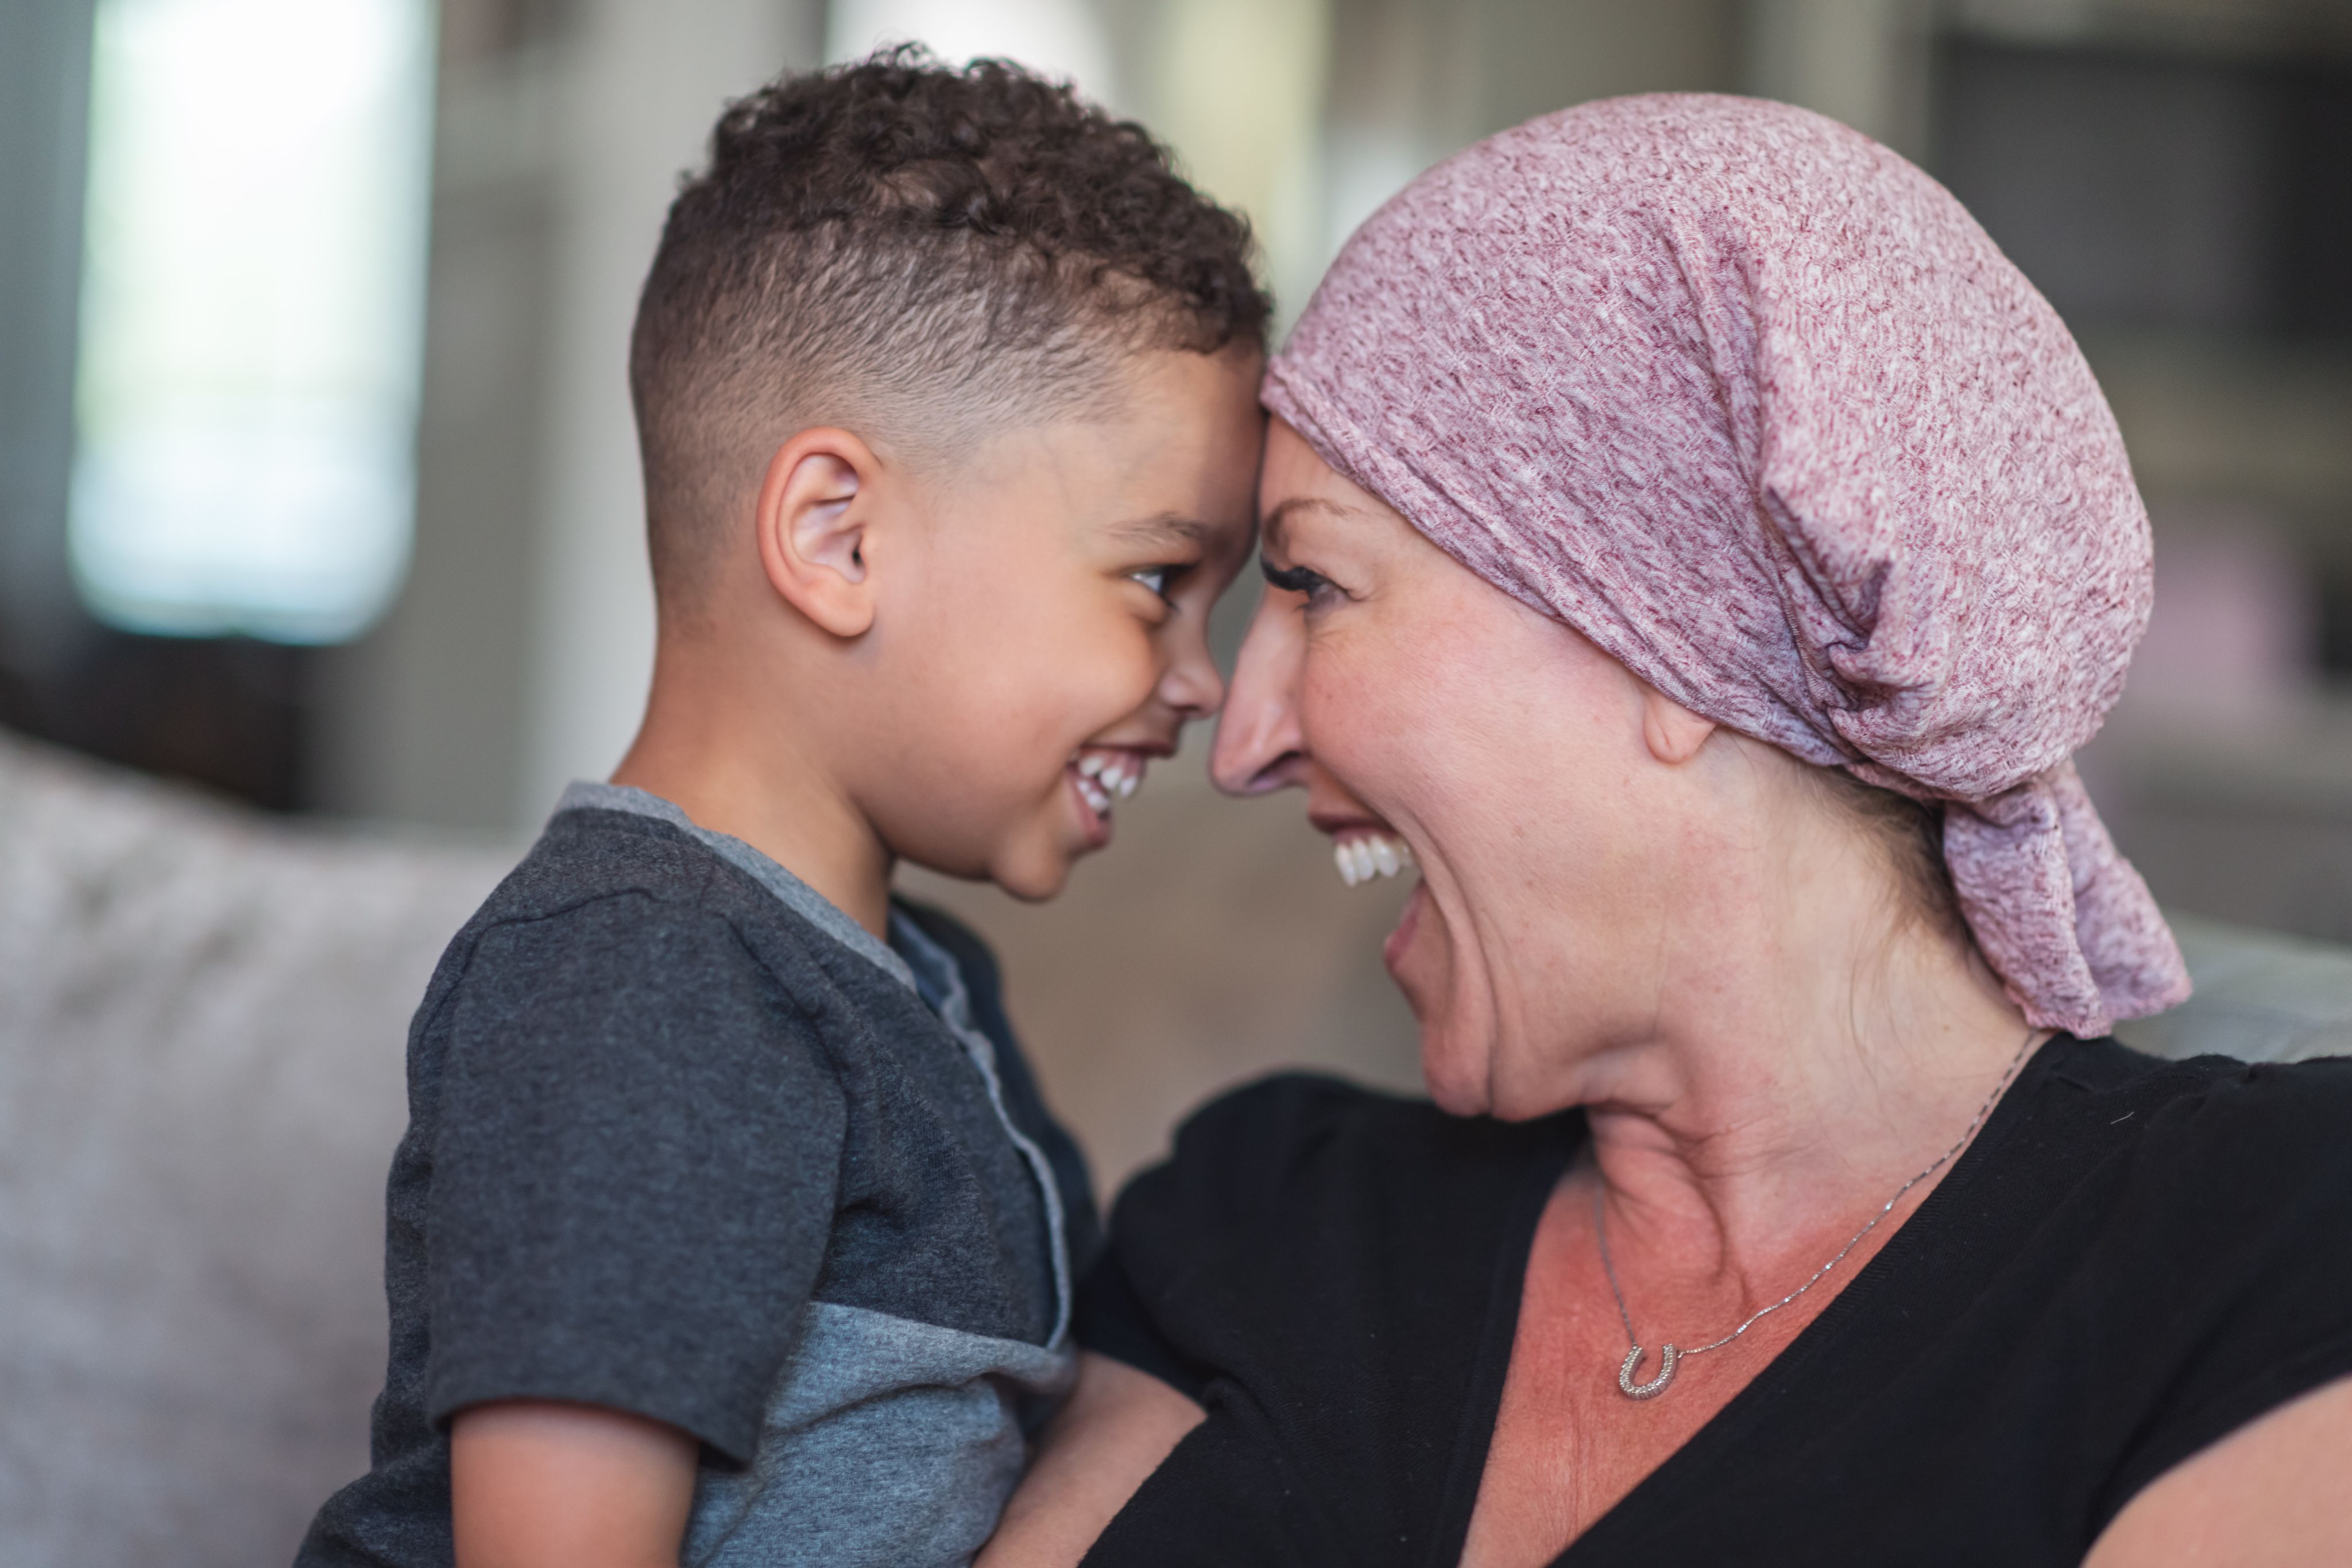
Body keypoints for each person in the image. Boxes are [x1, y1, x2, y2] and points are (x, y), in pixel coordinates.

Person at [978, 95, 2352, 1567]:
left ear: (1665, 641)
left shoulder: (2262, 1237)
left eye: (1313, 584)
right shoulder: (1264, 1216)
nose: (1241, 737)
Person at [296, 50, 1267, 1568]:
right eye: (1156, 581)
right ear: (837, 537)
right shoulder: (646, 983)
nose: (1203, 681)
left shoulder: (920, 984)